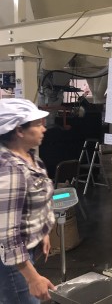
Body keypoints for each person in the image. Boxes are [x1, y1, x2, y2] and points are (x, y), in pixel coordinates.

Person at [0, 98, 56, 303]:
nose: (44, 129)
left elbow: (38, 200)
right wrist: (32, 278)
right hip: (12, 262)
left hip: (25, 252)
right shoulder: (10, 169)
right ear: (19, 131)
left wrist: (44, 232)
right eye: (38, 124)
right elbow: (6, 233)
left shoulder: (31, 157)